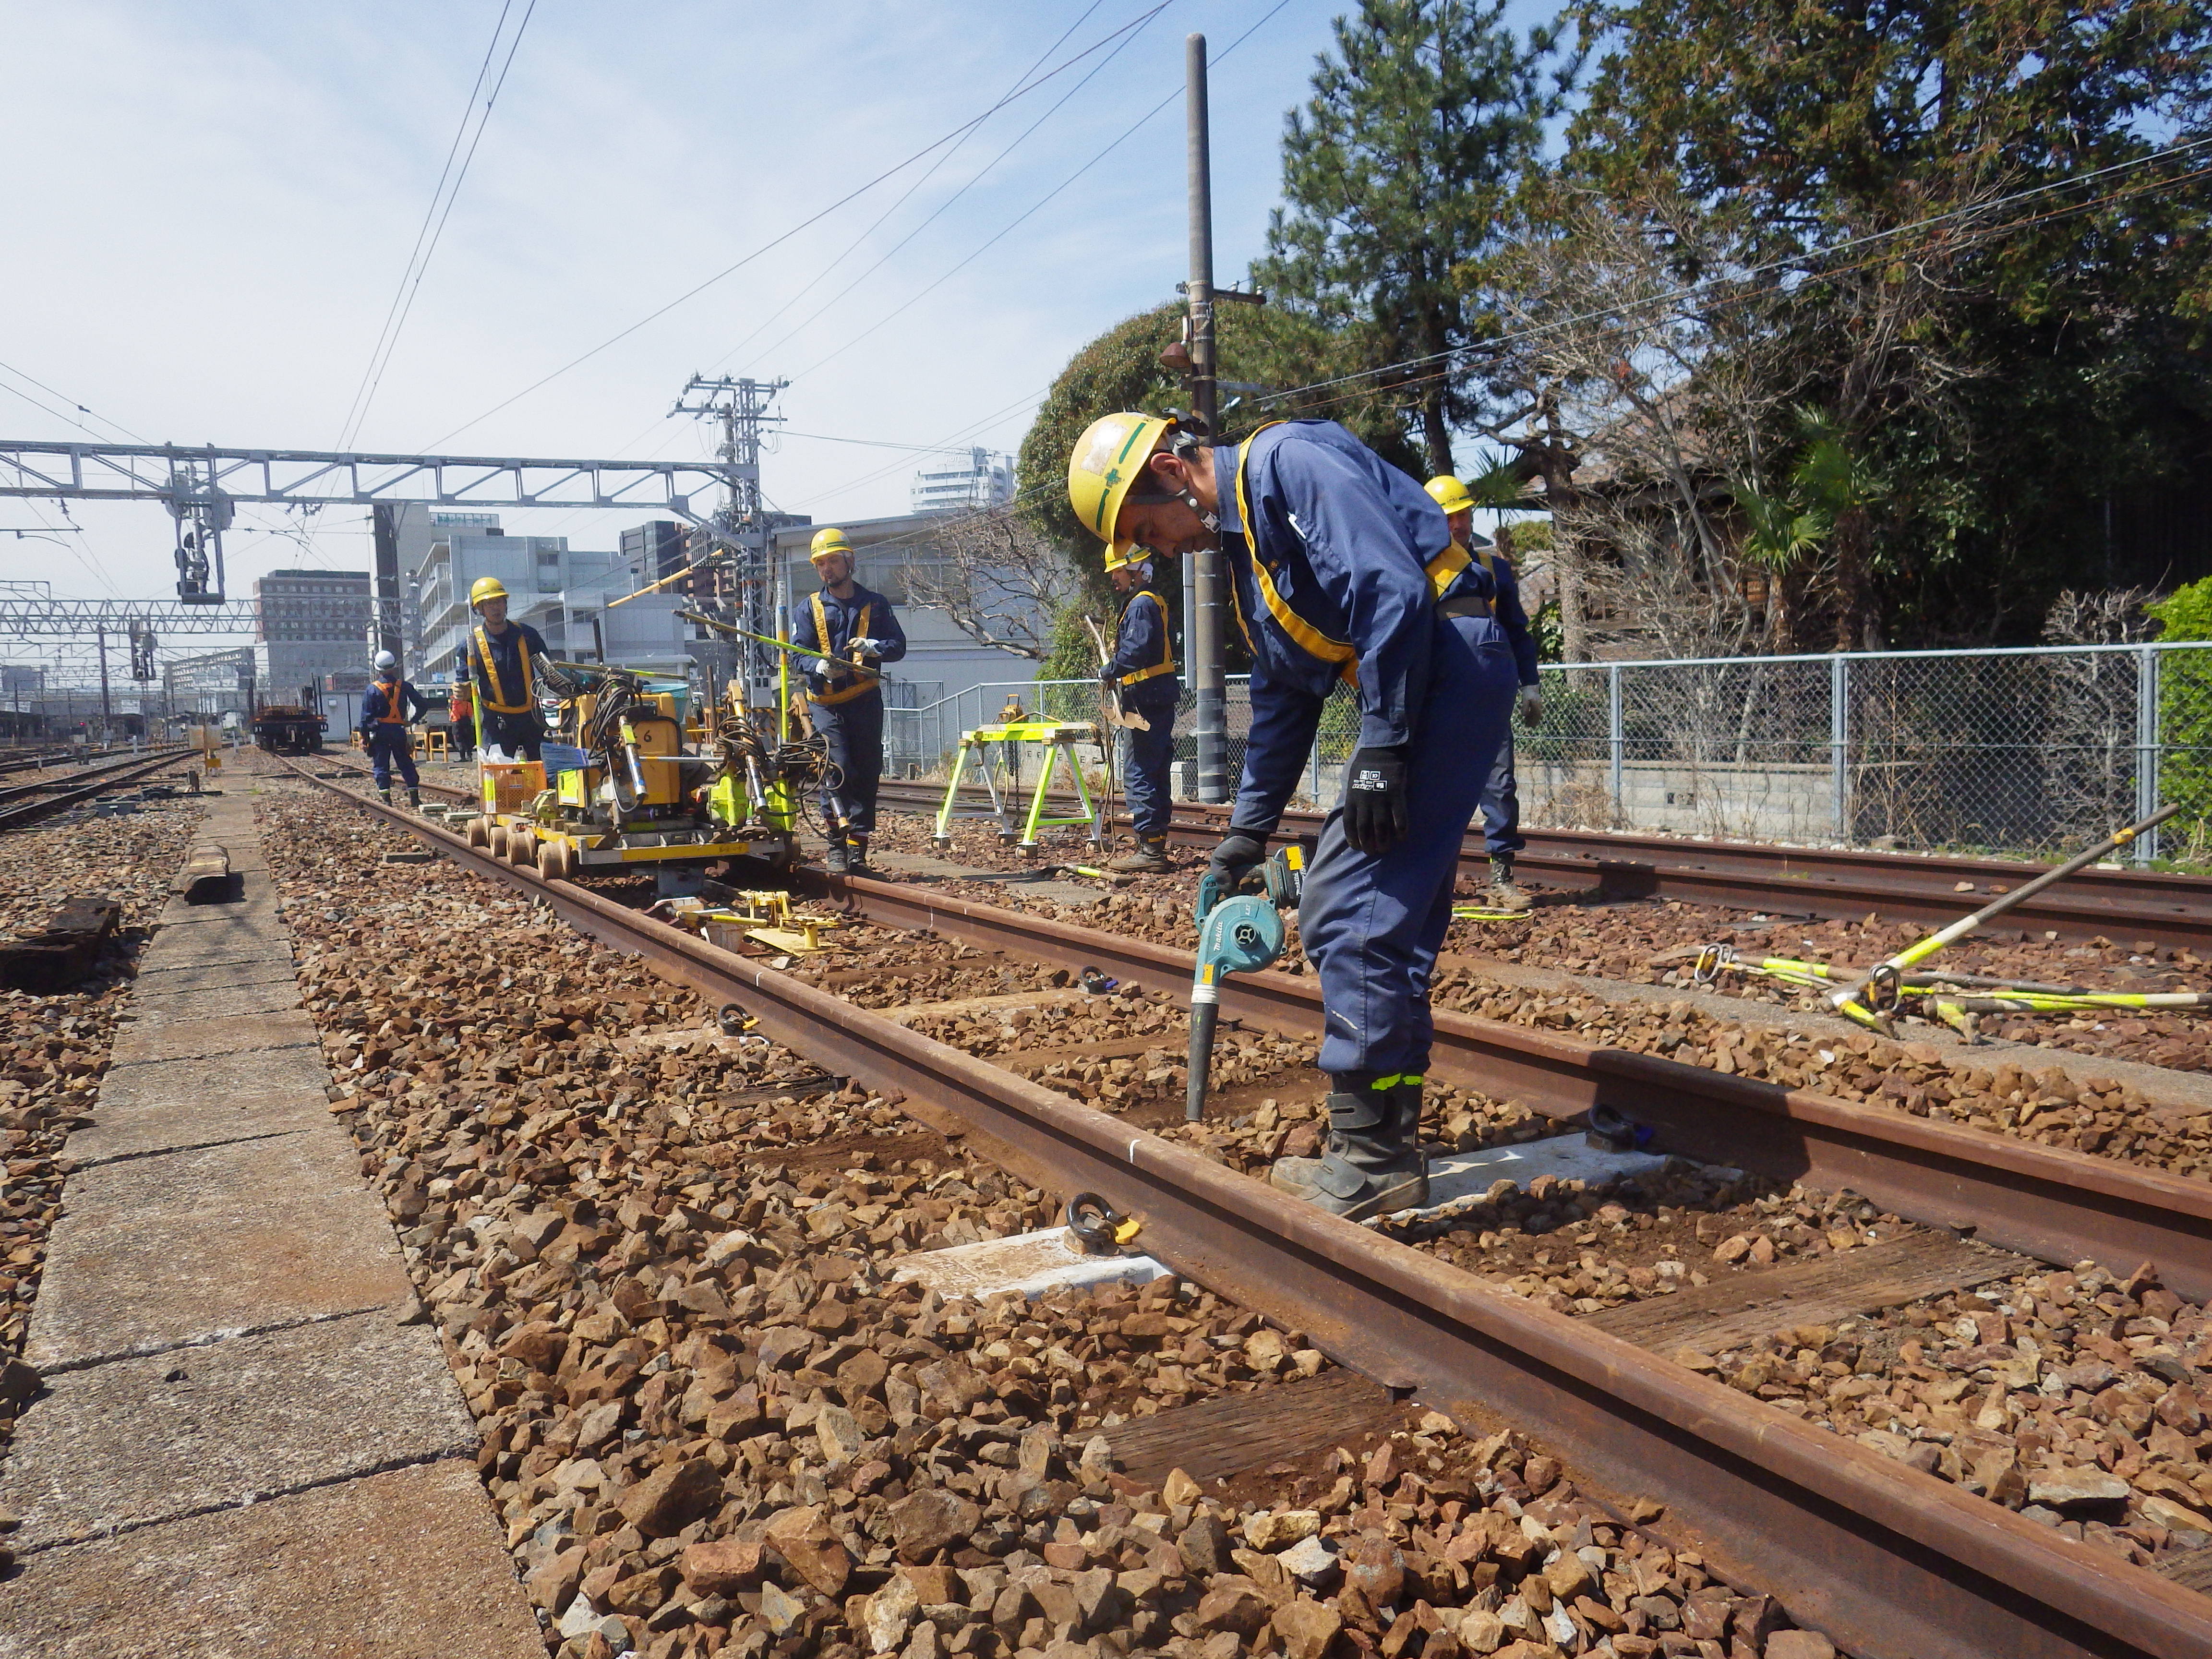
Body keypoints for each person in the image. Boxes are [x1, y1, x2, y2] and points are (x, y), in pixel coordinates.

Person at [1069, 412, 1519, 1218]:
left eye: (1149, 530)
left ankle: (1372, 1158)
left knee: (1348, 908)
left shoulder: (1286, 464)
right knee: (1389, 917)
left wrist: (1383, 741)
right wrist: (1245, 835)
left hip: (1446, 666)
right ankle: (1385, 1140)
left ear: (1172, 473)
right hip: (1432, 681)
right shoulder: (1249, 559)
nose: (1161, 551)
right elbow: (1282, 699)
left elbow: (1388, 586)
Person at [1424, 475, 1544, 911]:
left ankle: (1502, 876)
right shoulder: (1415, 567)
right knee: (1432, 786)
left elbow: (1517, 631)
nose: (1458, 524)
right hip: (1435, 695)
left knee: (1499, 783)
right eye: (1449, 516)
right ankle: (1432, 880)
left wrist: (1530, 683)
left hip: (1489, 693)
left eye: (1463, 513)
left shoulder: (1494, 569)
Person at [792, 528, 906, 874]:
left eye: (833, 561)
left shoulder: (876, 605)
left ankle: (859, 847)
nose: (827, 569)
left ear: (849, 561)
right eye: (821, 563)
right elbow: (798, 657)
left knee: (867, 770)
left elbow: (898, 647)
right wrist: (819, 666)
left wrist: (874, 647)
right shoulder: (808, 608)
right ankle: (836, 844)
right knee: (837, 767)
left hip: (864, 700)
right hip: (825, 704)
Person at [1099, 544, 1181, 872]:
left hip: (1144, 698)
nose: (1114, 579)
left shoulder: (1141, 604)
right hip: (1157, 694)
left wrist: (1109, 670)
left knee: (1140, 770)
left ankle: (1150, 851)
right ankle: (1155, 844)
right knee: (1156, 768)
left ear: (1133, 571)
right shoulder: (1152, 601)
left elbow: (1136, 651)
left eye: (1117, 572)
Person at [463, 577, 549, 762]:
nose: (496, 607)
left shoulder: (528, 635)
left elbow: (549, 670)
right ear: (479, 609)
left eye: (499, 602)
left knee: (541, 771)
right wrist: (460, 689)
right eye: (489, 604)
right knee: (499, 775)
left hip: (531, 718)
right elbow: (463, 681)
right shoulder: (471, 645)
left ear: (505, 604)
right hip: (496, 722)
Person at [359, 650, 428, 807]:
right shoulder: (404, 686)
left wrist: (364, 738)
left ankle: (387, 800)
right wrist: (412, 721)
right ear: (394, 666)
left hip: (380, 732)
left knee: (381, 765)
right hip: (398, 730)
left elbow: (365, 718)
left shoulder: (372, 689)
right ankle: (415, 797)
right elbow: (423, 706)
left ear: (378, 669)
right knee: (406, 763)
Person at [448, 678, 476, 762]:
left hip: (457, 722)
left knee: (459, 739)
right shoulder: (468, 703)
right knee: (468, 739)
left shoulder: (454, 702)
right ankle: (469, 756)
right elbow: (471, 713)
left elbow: (455, 712)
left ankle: (462, 757)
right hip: (467, 722)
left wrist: (457, 719)